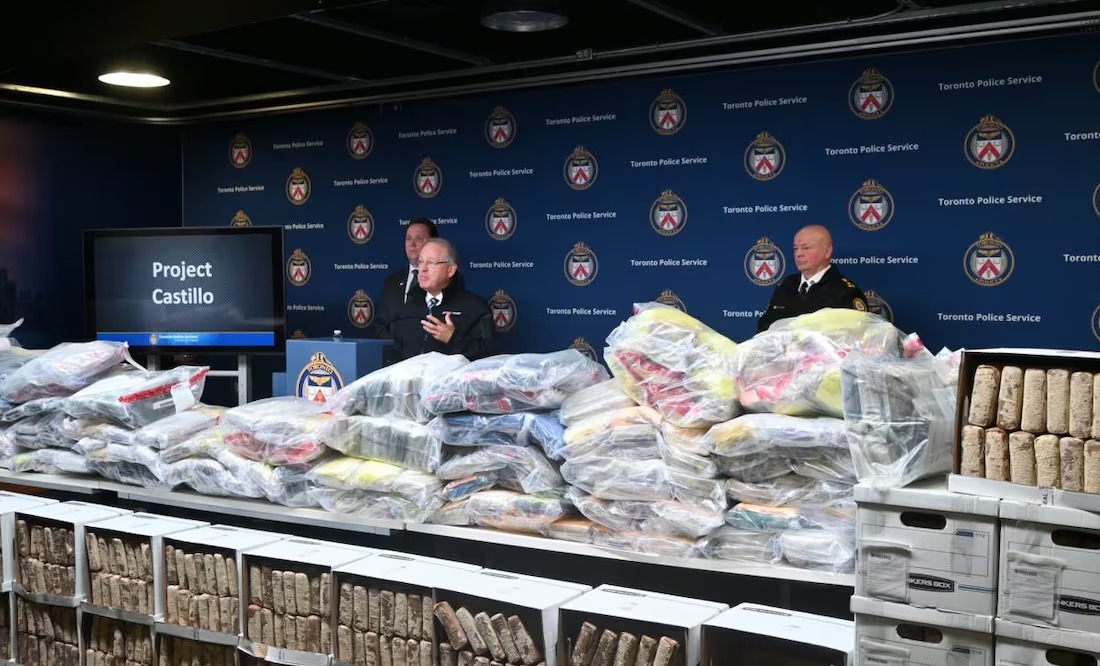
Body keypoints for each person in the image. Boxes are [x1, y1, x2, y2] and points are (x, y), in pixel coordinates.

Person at [385, 237, 494, 363]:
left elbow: (488, 358)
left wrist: (453, 338)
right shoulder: (406, 307)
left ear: (450, 270)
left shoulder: (475, 308)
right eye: (420, 262)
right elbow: (394, 355)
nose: (423, 269)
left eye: (431, 262)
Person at [757, 224, 867, 333]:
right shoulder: (786, 285)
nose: (799, 254)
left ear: (827, 251)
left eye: (806, 248)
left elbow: (854, 335)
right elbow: (764, 327)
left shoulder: (845, 291)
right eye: (795, 248)